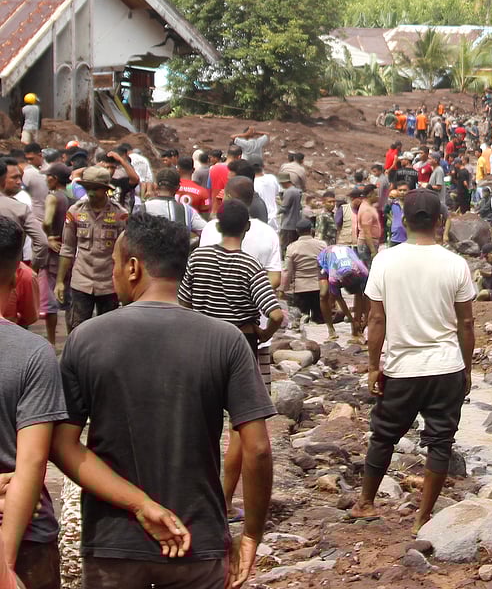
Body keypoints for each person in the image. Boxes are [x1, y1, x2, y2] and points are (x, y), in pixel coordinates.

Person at [53, 212, 274, 589]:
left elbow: (61, 446)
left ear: (133, 268)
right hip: (197, 541)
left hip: (114, 544)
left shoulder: (86, 339)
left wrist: (139, 504)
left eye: (115, 264)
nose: (113, 274)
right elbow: (257, 449)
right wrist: (251, 533)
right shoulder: (226, 341)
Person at [349, 190, 475, 533]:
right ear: (440, 222)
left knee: (383, 436)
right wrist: (466, 368)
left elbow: (376, 319)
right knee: (440, 441)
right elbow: (466, 324)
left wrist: (373, 366)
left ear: (402, 221)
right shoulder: (455, 264)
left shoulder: (385, 261)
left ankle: (366, 503)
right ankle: (422, 517)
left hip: (401, 368)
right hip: (446, 366)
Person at [179, 200, 284, 522]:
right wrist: (264, 334)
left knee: (202, 425)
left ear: (217, 225)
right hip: (240, 346)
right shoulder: (250, 266)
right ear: (246, 227)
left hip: (201, 346)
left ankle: (196, 499)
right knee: (240, 427)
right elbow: (276, 314)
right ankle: (224, 503)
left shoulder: (197, 258)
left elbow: (183, 304)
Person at [0, 216, 68, 589]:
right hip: (26, 536)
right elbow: (32, 461)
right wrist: (6, 566)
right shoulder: (33, 354)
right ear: (16, 280)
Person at [56, 166, 128, 331]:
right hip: (81, 280)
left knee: (108, 331)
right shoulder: (75, 211)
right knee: (76, 328)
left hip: (109, 284)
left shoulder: (120, 214)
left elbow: (125, 252)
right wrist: (60, 281)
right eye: (87, 188)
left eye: (95, 189)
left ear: (106, 189)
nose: (91, 193)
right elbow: (67, 248)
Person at [197, 178, 282, 290]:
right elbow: (275, 277)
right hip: (252, 298)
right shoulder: (269, 233)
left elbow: (203, 268)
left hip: (212, 297)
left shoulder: (211, 227)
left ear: (228, 198)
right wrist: (251, 294)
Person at [40, 163, 71, 348]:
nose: (46, 179)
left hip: (54, 254)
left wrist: (49, 236)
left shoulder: (52, 197)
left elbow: (46, 221)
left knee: (50, 302)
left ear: (55, 178)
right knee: (69, 300)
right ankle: (70, 340)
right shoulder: (73, 198)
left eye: (48, 176)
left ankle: (51, 342)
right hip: (69, 253)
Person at [281, 218, 327, 334]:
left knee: (300, 320)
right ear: (311, 230)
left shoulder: (292, 247)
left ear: (297, 231)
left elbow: (287, 271)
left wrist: (283, 289)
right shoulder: (322, 245)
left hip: (301, 289)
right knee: (320, 321)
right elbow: (327, 265)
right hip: (319, 287)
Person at [0, 159, 47, 272]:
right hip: (10, 273)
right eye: (14, 177)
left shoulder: (21, 203)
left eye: (20, 177)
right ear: (3, 180)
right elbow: (42, 242)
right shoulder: (19, 208)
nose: (19, 182)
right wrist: (32, 269)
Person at [317, 244, 369, 340]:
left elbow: (366, 295)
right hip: (325, 257)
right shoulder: (334, 277)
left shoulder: (363, 272)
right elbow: (340, 299)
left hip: (346, 253)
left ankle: (356, 330)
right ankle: (331, 329)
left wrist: (365, 319)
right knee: (324, 295)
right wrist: (351, 320)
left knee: (359, 293)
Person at [142, 168, 205, 244]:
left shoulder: (144, 208)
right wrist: (193, 244)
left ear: (155, 186)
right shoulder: (187, 211)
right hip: (180, 251)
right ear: (178, 188)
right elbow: (207, 231)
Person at [278, 171, 303, 251]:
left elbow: (284, 208)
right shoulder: (298, 191)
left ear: (284, 182)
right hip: (296, 223)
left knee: (285, 247)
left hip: (287, 224)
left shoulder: (288, 192)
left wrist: (276, 212)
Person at [252, 165, 281, 232]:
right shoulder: (272, 178)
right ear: (263, 167)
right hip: (274, 218)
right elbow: (278, 192)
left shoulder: (252, 183)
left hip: (261, 218)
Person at [356, 193, 382, 264]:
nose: (377, 196)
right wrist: (372, 250)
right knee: (368, 267)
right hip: (367, 244)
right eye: (375, 194)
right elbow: (366, 231)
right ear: (369, 195)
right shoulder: (366, 210)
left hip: (370, 242)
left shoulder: (369, 207)